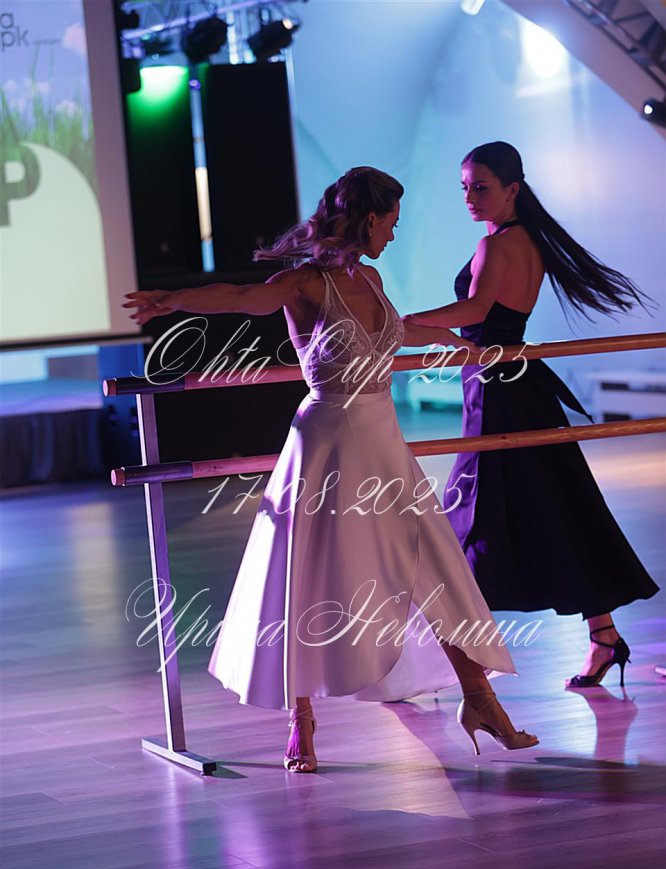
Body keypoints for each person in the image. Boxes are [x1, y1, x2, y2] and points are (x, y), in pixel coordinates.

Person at [124, 166, 538, 772]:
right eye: (391, 223)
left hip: (384, 443)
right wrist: (172, 301)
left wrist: (455, 341)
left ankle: (481, 701)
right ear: (369, 219)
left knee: (430, 566)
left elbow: (398, 330)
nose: (393, 234)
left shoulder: (369, 278)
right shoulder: (303, 283)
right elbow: (241, 299)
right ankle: (301, 720)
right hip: (327, 446)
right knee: (306, 577)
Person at [402, 141, 659, 691]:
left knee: (471, 518)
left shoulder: (496, 244)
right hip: (513, 384)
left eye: (481, 187)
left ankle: (436, 658)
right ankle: (603, 636)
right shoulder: (526, 239)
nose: (470, 197)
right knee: (555, 509)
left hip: (497, 390)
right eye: (465, 188)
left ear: (512, 189)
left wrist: (400, 322)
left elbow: (475, 311)